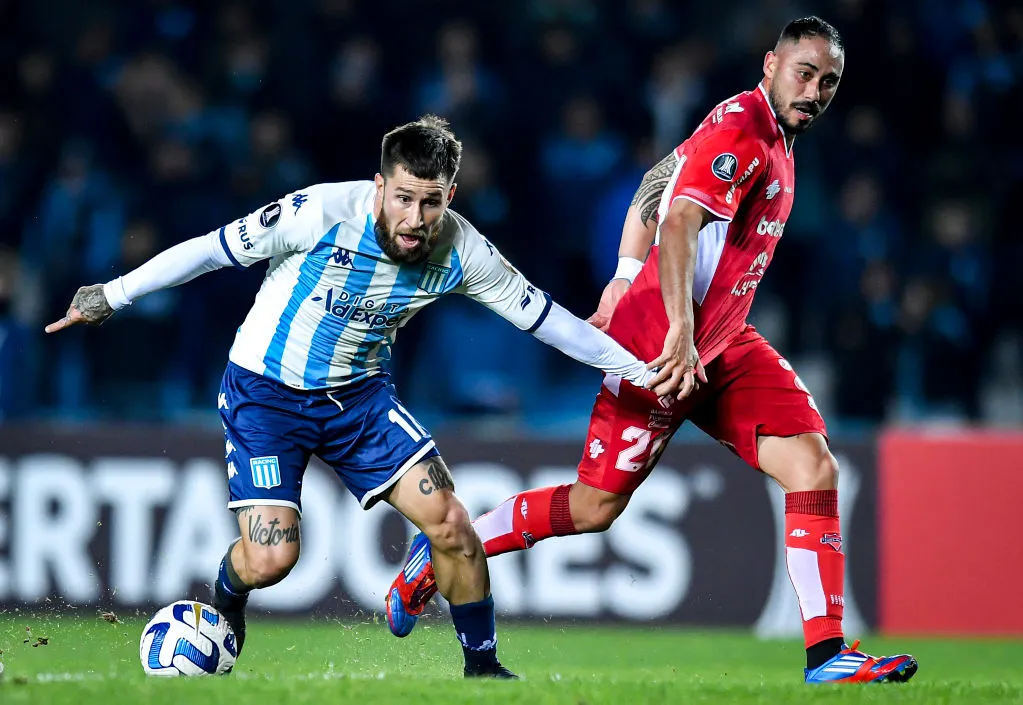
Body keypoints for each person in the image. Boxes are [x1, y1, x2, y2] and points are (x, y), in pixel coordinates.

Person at [385, 18, 920, 685]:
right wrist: (672, 326)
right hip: (656, 350)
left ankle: (827, 655)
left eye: (829, 82)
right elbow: (679, 217)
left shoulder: (761, 129)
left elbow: (658, 178)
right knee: (594, 508)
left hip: (720, 343)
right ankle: (433, 555)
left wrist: (620, 273)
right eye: (804, 73)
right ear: (770, 64)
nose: (814, 90)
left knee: (813, 464)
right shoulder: (743, 132)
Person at [44, 115, 666, 679]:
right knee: (272, 558)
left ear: (449, 196)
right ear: (379, 186)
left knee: (450, 521)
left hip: (359, 401)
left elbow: (549, 321)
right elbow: (212, 250)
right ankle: (226, 599)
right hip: (266, 394)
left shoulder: (464, 251)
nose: (414, 218)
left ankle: (485, 673)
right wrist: (114, 295)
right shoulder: (317, 213)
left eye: (430, 202)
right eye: (402, 198)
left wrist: (642, 371)